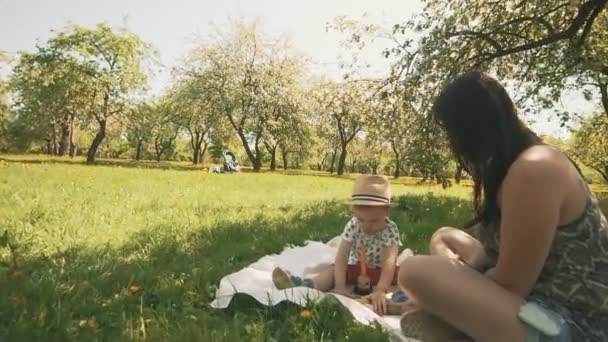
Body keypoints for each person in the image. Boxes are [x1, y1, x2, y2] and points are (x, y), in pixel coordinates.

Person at [397, 71, 608, 341]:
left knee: (415, 271)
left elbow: (512, 285)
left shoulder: (534, 169)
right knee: (444, 235)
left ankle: (456, 325)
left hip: (572, 326)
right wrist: (466, 274)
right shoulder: (515, 165)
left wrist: (455, 289)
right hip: (533, 300)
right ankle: (459, 323)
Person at [272, 175, 401, 314]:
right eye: (361, 219)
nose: (366, 226)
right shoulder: (353, 225)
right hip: (355, 268)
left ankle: (403, 300)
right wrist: (340, 285)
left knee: (404, 274)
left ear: (387, 211)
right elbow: (342, 256)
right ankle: (306, 285)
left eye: (374, 221)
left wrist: (381, 289)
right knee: (333, 270)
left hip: (380, 271)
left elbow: (389, 261)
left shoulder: (390, 229)